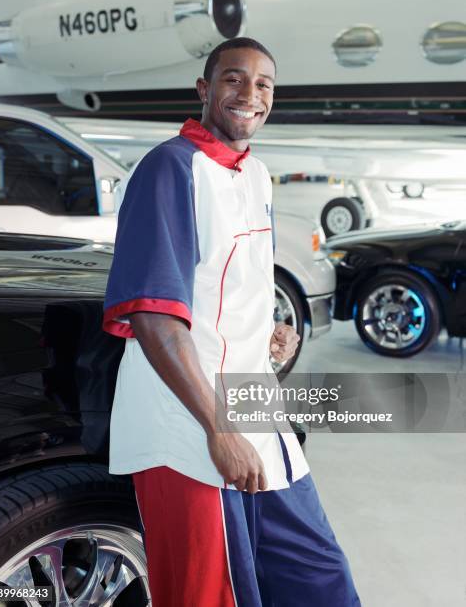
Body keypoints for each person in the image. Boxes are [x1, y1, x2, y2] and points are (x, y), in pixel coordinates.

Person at [103, 37, 361, 607]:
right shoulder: (170, 169)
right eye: (234, 79)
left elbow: (227, 280)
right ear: (204, 89)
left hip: (253, 400)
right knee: (210, 595)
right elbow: (152, 313)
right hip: (187, 419)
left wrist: (264, 326)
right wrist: (219, 430)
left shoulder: (255, 174)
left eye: (264, 84)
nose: (250, 94)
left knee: (318, 576)